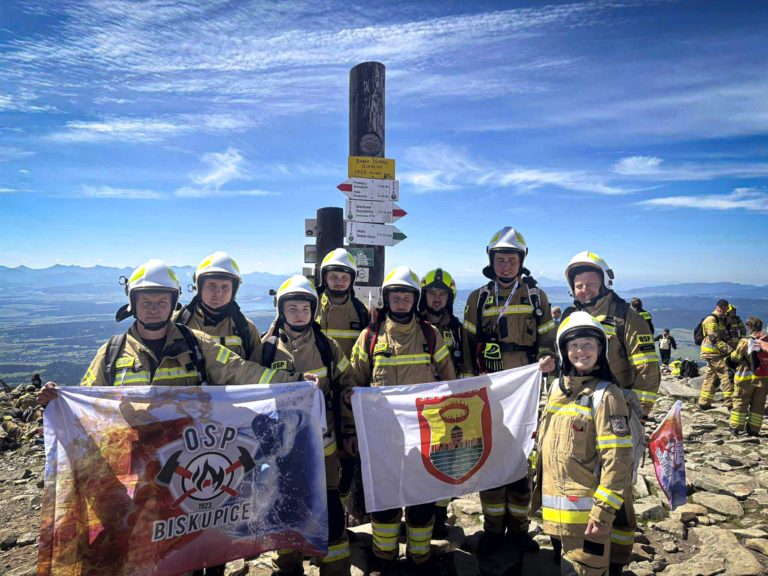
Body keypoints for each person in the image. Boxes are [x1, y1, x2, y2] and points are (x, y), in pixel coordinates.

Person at [348, 266, 456, 576]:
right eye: (395, 296)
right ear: (386, 299)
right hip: (382, 438)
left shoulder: (430, 335)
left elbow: (450, 383)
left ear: (414, 300)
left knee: (422, 501)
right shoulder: (369, 337)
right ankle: (384, 558)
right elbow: (353, 388)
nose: (401, 301)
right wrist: (351, 430)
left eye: (406, 296)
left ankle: (420, 559)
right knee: (385, 501)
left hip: (425, 436)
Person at [461, 227, 556, 556]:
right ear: (492, 261)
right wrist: (467, 383)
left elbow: (548, 339)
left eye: (511, 260)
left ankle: (519, 530)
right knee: (490, 459)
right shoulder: (479, 298)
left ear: (521, 262)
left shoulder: (535, 296)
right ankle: (492, 529)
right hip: (489, 391)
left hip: (526, 392)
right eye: (500, 260)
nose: (505, 266)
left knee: (520, 458)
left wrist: (548, 357)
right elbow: (467, 343)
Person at [562, 251, 658, 575]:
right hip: (579, 417)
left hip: (618, 414)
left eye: (591, 283)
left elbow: (647, 369)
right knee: (583, 480)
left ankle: (616, 559)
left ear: (605, 282)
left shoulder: (626, 317)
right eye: (579, 285)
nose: (585, 290)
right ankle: (585, 551)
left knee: (619, 491)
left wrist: (638, 416)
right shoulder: (571, 316)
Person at [261, 275, 353, 576]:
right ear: (281, 311)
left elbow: (346, 389)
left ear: (313, 310)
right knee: (284, 507)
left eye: (305, 308)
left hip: (323, 448)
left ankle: (335, 568)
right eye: (293, 308)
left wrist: (349, 432)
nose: (299, 314)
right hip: (281, 451)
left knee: (330, 511)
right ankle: (288, 566)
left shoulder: (328, 347)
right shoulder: (265, 349)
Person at [536, 312, 633, 576]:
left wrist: (602, 515)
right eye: (574, 345)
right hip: (557, 518)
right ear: (563, 350)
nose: (581, 351)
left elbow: (618, 460)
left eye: (588, 345)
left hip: (588, 520)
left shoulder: (608, 395)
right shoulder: (556, 388)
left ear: (601, 349)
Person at [314, 248, 370, 520]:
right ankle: (319, 519)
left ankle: (341, 518)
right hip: (315, 400)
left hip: (348, 399)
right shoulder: (308, 305)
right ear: (324, 278)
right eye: (333, 276)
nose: (338, 282)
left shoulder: (361, 312)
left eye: (343, 277)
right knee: (315, 461)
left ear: (351, 280)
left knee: (347, 460)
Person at [417, 268, 464, 537]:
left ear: (449, 298)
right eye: (432, 294)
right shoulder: (414, 326)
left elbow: (467, 366)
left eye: (442, 294)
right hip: (419, 409)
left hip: (449, 408)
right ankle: (418, 517)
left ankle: (439, 515)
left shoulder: (457, 329)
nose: (436, 299)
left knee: (448, 464)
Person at [174, 251, 262, 361]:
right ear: (199, 287)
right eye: (212, 286)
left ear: (233, 291)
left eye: (225, 287)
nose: (218, 293)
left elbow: (256, 369)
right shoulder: (177, 323)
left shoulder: (246, 329)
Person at [728, 317, 768, 437]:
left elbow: (735, 357)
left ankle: (736, 428)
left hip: (745, 377)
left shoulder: (745, 341)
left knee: (741, 400)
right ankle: (754, 429)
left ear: (749, 326)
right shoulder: (765, 340)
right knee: (759, 403)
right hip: (763, 377)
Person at [697, 299, 734, 410]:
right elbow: (713, 338)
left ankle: (704, 402)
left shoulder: (720, 319)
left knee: (711, 376)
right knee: (726, 374)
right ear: (718, 307)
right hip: (712, 353)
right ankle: (730, 403)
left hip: (716, 353)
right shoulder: (711, 319)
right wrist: (729, 350)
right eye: (722, 308)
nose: (724, 311)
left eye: (726, 309)